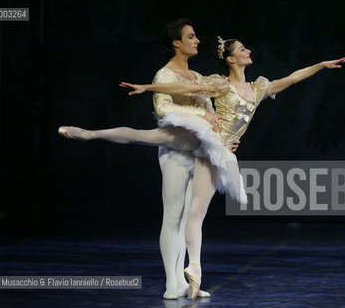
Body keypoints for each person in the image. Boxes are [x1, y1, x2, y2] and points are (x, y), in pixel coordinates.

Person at [59, 36, 345, 299]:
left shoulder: (258, 88)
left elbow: (292, 78)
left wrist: (321, 65)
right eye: (242, 49)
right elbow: (185, 87)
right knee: (143, 136)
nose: (249, 51)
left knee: (195, 215)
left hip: (218, 152)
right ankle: (89, 133)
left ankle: (194, 274)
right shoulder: (220, 83)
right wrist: (150, 87)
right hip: (202, 136)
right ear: (231, 59)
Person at [59, 19, 235, 300]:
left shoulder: (200, 78)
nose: (197, 40)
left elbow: (212, 113)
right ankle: (172, 283)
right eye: (191, 36)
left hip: (200, 152)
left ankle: (188, 282)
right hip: (176, 149)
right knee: (173, 216)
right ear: (176, 42)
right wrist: (203, 116)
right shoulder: (164, 76)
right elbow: (164, 110)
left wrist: (222, 136)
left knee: (192, 219)